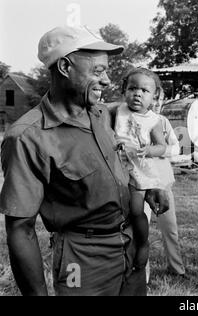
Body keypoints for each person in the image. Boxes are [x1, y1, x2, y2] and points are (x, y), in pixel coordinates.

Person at [0, 26, 152, 295]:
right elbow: (21, 230)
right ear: (64, 66)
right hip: (83, 260)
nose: (106, 80)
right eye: (98, 71)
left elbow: (110, 169)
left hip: (129, 246)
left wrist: (148, 189)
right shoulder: (27, 137)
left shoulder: (100, 113)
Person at [114, 67, 170, 274]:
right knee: (122, 209)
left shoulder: (153, 120)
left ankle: (142, 242)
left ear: (154, 96)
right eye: (132, 88)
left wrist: (149, 149)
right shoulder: (118, 110)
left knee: (136, 210)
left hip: (138, 168)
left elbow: (162, 146)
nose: (137, 93)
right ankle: (123, 245)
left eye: (145, 91)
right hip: (118, 165)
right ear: (124, 90)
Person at [148, 94, 186, 277]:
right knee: (141, 232)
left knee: (170, 229)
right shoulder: (131, 120)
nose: (156, 103)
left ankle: (177, 269)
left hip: (163, 184)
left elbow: (176, 148)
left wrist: (156, 151)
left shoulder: (163, 121)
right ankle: (142, 274)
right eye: (153, 98)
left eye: (160, 99)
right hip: (141, 185)